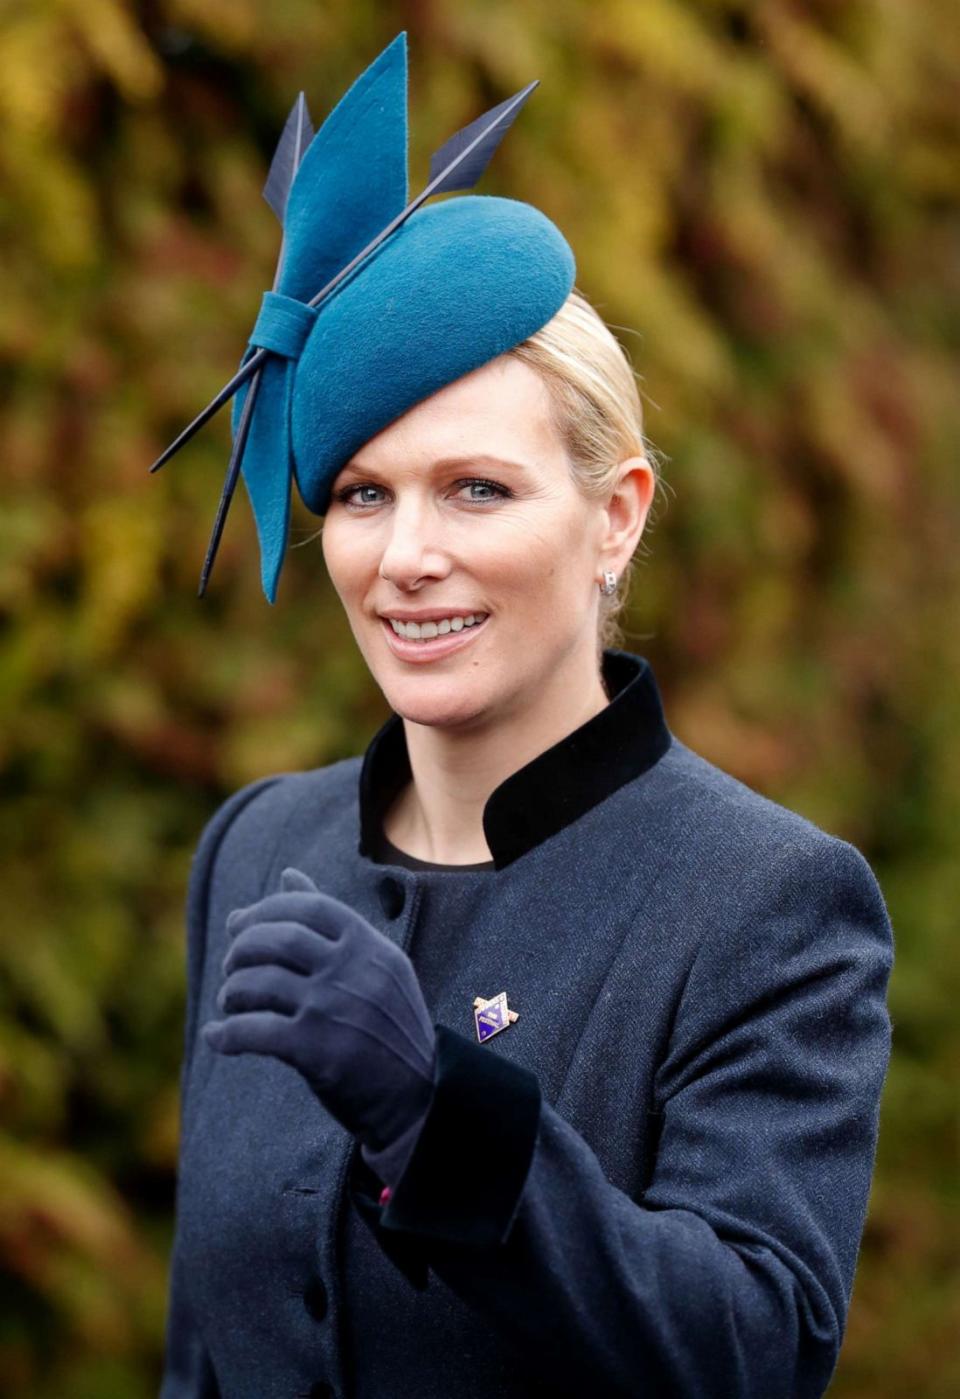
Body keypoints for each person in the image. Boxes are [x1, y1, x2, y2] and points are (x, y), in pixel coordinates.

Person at [158, 33, 894, 1399]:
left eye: (478, 489)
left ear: (615, 519)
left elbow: (753, 1352)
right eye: (365, 494)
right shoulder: (259, 848)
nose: (407, 553)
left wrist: (443, 1120)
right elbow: (205, 1350)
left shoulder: (767, 904)